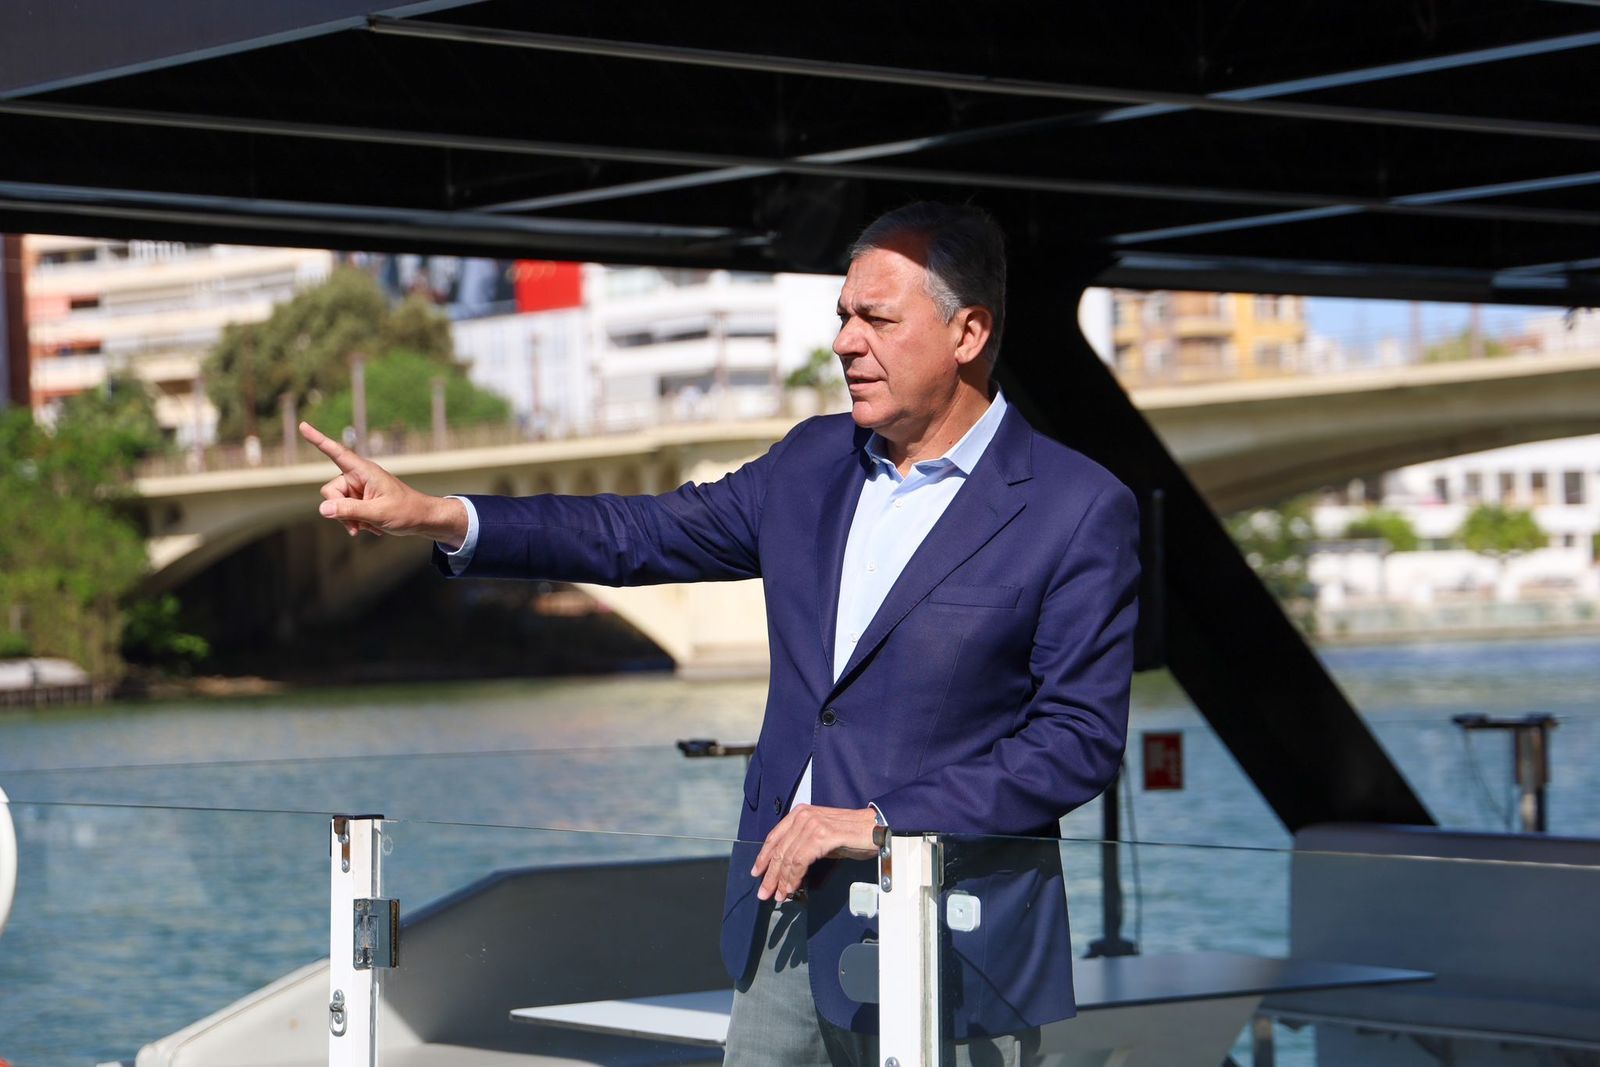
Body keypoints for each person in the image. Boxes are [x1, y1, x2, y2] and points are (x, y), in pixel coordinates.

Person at [303, 202, 1140, 1066]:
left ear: (968, 332)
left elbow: (1075, 743)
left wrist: (883, 822)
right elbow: (635, 535)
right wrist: (442, 516)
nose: (847, 343)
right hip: (784, 921)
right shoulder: (811, 463)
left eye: (877, 320)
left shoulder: (1075, 509)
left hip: (961, 942)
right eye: (843, 318)